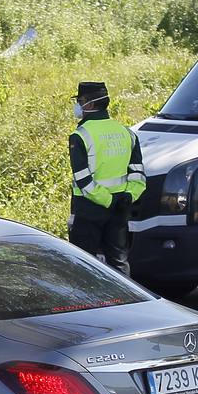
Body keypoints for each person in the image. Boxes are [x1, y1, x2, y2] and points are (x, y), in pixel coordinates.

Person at [67, 81, 148, 275]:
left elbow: (83, 180)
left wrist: (108, 201)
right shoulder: (127, 133)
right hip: (121, 208)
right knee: (118, 264)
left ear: (90, 104)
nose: (77, 106)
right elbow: (138, 174)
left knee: (84, 266)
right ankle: (125, 304)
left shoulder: (80, 136)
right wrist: (128, 197)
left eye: (79, 101)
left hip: (90, 209)